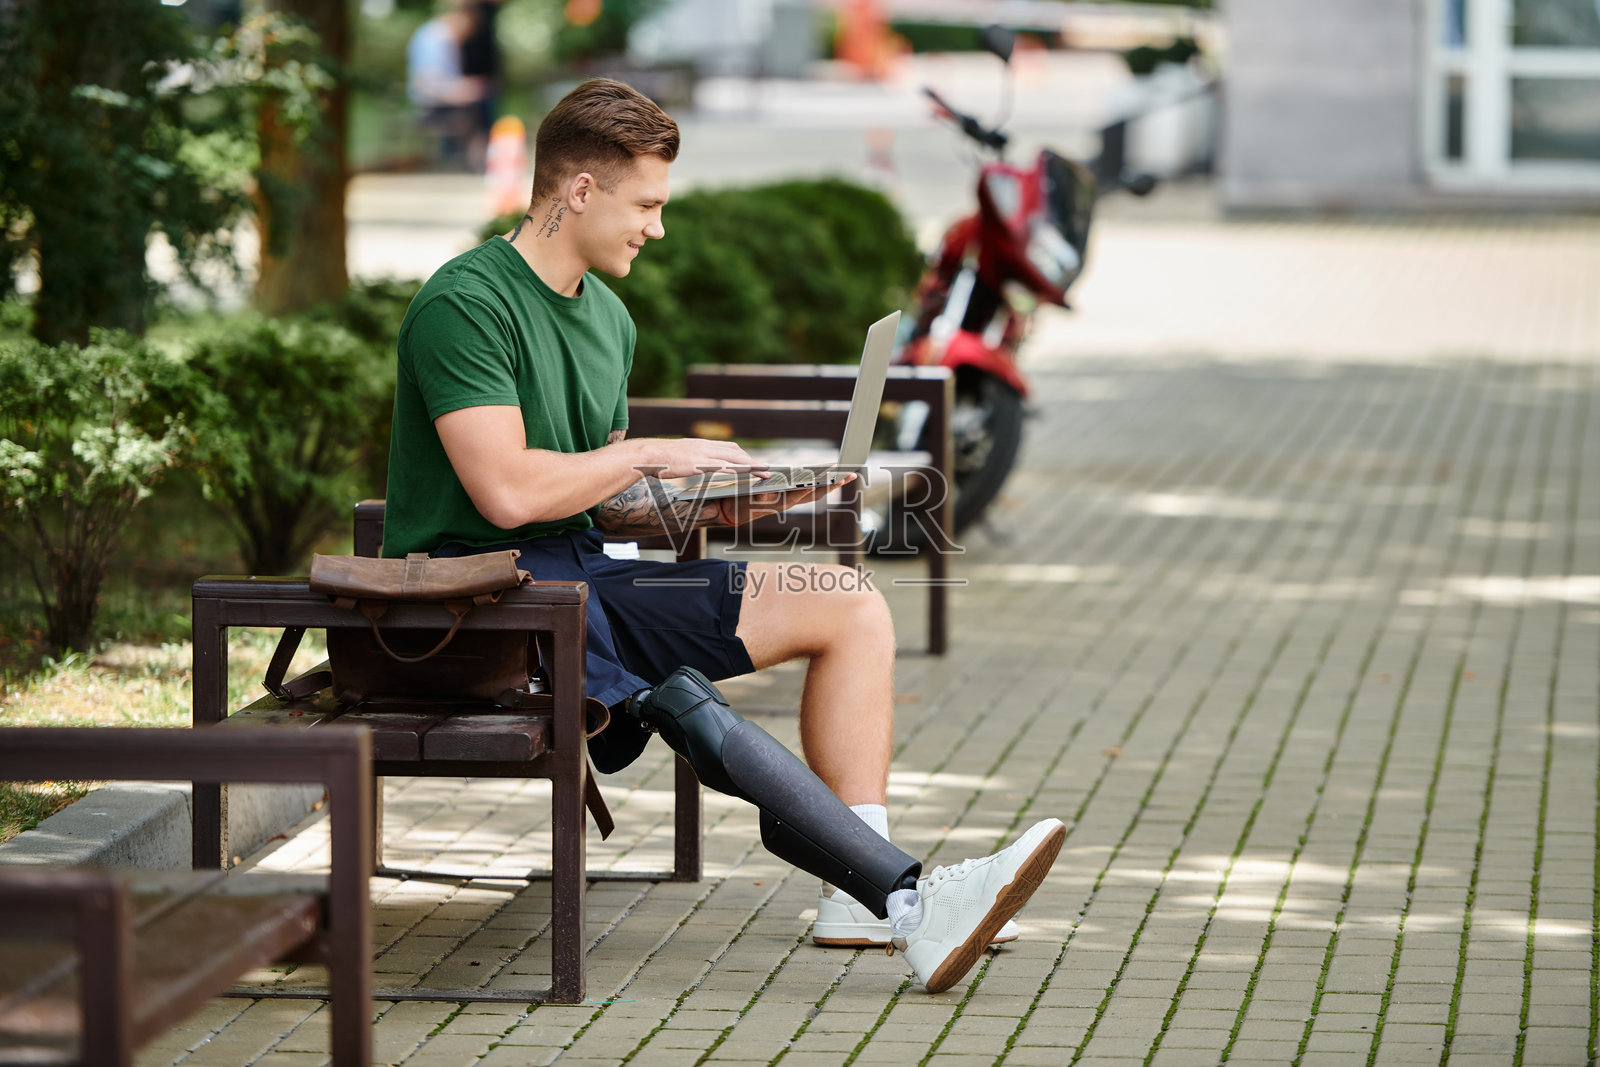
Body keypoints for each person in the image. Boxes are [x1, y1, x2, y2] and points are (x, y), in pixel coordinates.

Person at [382, 77, 1064, 993]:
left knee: (846, 602)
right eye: (647, 204)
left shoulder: (608, 318)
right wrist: (656, 453)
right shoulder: (466, 304)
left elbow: (595, 501)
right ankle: (904, 900)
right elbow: (506, 492)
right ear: (579, 190)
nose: (657, 228)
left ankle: (855, 897)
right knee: (681, 693)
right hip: (478, 597)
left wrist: (729, 503)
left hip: (582, 569)